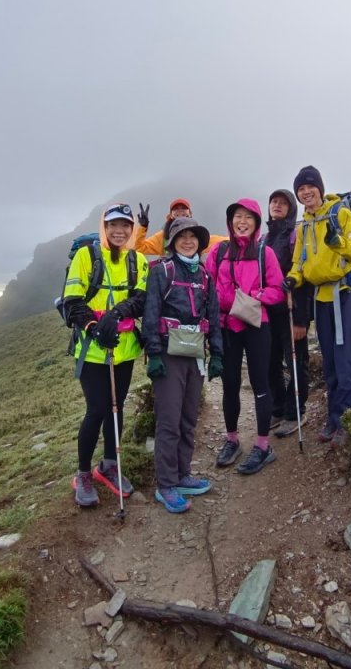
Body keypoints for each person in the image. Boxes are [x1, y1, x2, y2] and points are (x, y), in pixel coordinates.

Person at [60, 203, 149, 507]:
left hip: (123, 349)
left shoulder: (137, 260)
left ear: (132, 228)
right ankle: (83, 474)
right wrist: (95, 326)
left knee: (116, 407)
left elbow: (141, 299)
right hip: (92, 349)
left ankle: (109, 465)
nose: (120, 231)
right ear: (104, 227)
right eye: (113, 225)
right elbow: (72, 301)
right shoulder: (87, 257)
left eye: (125, 225)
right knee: (97, 409)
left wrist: (119, 312)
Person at [143, 217, 225, 513]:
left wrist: (217, 354)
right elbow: (151, 313)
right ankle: (166, 485)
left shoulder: (204, 275)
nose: (188, 241)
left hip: (195, 354)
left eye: (193, 236)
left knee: (188, 417)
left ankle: (182, 475)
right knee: (169, 419)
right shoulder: (162, 271)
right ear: (172, 241)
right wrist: (153, 355)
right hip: (168, 353)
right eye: (181, 236)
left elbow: (213, 316)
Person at [284, 166, 351, 447]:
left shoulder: (340, 213)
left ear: (320, 188)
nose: (306, 192)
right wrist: (293, 278)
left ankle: (348, 420)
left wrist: (338, 241)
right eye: (301, 189)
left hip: (346, 293)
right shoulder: (303, 224)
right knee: (330, 361)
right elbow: (299, 262)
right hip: (321, 298)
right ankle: (333, 419)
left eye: (310, 187)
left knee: (347, 359)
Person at [206, 199, 285, 474]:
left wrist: (255, 297)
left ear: (256, 223)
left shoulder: (265, 254)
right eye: (237, 217)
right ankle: (232, 439)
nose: (242, 222)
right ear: (230, 222)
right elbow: (208, 288)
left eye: (248, 218)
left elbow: (278, 290)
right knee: (230, 383)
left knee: (260, 382)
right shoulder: (218, 252)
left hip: (256, 324)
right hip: (227, 326)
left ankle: (263, 445)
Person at [263, 190, 312, 438]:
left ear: (291, 208)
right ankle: (278, 407)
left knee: (295, 361)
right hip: (268, 312)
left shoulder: (296, 234)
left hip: (292, 311)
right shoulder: (264, 238)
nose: (277, 206)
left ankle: (295, 411)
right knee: (270, 362)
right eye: (274, 202)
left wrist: (302, 319)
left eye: (283, 203)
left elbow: (303, 277)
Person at [134, 198, 227, 257]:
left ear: (190, 213)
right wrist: (143, 227)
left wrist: (238, 237)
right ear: (170, 215)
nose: (180, 211)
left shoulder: (198, 234)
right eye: (175, 209)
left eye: (183, 208)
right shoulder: (162, 237)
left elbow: (222, 241)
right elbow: (140, 248)